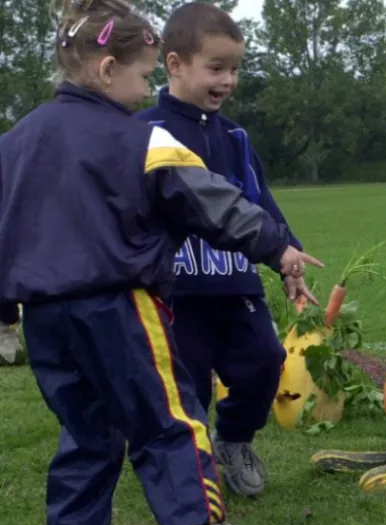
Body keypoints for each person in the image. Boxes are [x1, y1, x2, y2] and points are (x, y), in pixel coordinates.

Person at [0, 1, 323, 525]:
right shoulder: (141, 138)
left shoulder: (14, 145)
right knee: (168, 420)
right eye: (142, 76)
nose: (144, 90)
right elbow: (215, 203)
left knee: (87, 435)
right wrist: (278, 248)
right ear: (107, 71)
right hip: (121, 308)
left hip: (46, 321)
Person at [136, 1, 318, 499]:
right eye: (216, 68)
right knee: (186, 386)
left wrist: (289, 255)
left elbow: (262, 204)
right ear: (175, 64)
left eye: (235, 69)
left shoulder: (235, 137)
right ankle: (189, 471)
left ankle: (234, 440)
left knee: (264, 361)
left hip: (236, 282)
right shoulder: (145, 133)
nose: (228, 80)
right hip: (176, 294)